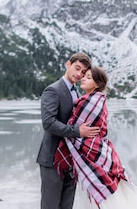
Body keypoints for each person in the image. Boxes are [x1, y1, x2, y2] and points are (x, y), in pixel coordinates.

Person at [54, 66, 137, 209]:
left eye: (88, 77)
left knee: (101, 195)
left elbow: (75, 128)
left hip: (91, 154)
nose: (83, 78)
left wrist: (70, 129)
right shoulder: (96, 99)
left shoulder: (89, 102)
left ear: (97, 84)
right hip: (99, 152)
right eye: (84, 75)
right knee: (103, 193)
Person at [37, 52, 101, 209]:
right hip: (52, 159)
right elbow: (49, 123)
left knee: (67, 205)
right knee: (50, 205)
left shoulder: (77, 92)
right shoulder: (52, 90)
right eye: (77, 68)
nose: (79, 74)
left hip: (71, 159)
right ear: (68, 64)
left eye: (83, 72)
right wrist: (78, 132)